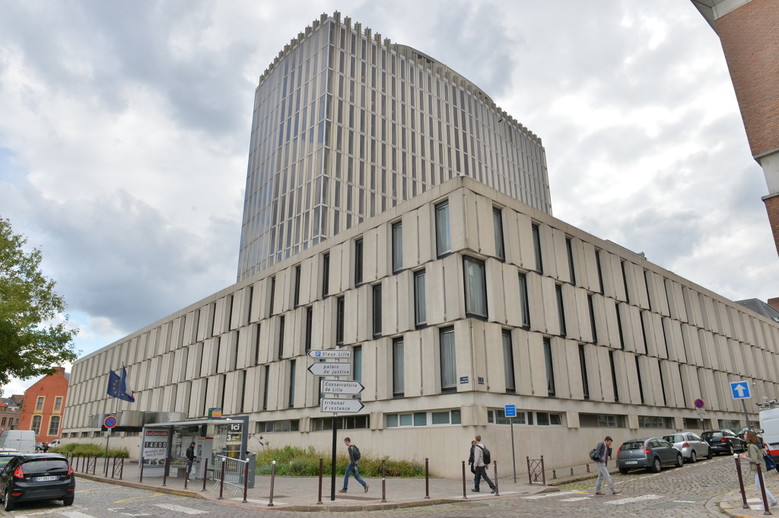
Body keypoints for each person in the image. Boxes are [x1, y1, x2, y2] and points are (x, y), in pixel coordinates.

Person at [741, 430, 777, 510]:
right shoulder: (754, 445)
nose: (744, 436)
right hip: (760, 467)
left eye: (745, 434)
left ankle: (766, 504)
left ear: (749, 437)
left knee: (761, 486)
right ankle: (772, 500)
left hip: (759, 468)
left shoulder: (751, 446)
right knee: (760, 485)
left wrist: (744, 457)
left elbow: (754, 459)